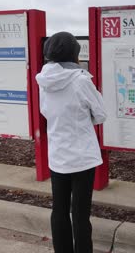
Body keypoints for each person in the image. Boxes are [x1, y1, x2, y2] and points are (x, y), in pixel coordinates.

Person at [36, 31, 106, 253]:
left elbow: (45, 111)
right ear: (75, 54)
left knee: (59, 210)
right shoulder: (81, 81)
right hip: (82, 157)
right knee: (80, 215)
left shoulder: (44, 80)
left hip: (58, 155)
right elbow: (101, 114)